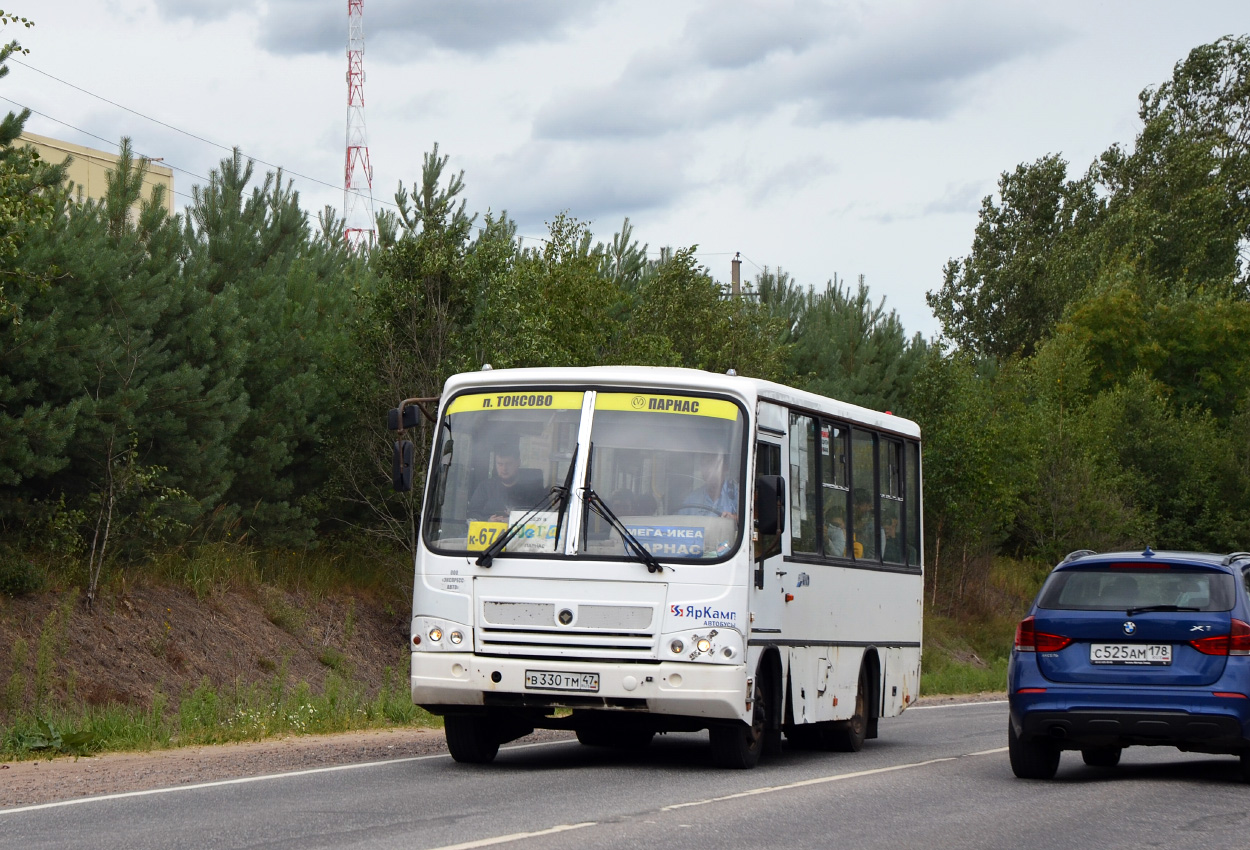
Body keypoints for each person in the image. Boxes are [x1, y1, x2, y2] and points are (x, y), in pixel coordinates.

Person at [467, 442, 545, 522]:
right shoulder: (484, 488)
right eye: (500, 464)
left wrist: (515, 519)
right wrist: (488, 521)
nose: (504, 468)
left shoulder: (533, 490)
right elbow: (472, 515)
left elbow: (544, 516)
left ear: (518, 462)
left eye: (509, 464)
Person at [678, 453, 739, 519]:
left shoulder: (737, 494)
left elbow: (748, 519)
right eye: (704, 465)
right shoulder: (692, 499)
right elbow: (678, 523)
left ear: (725, 467)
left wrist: (733, 519)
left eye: (713, 464)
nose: (709, 470)